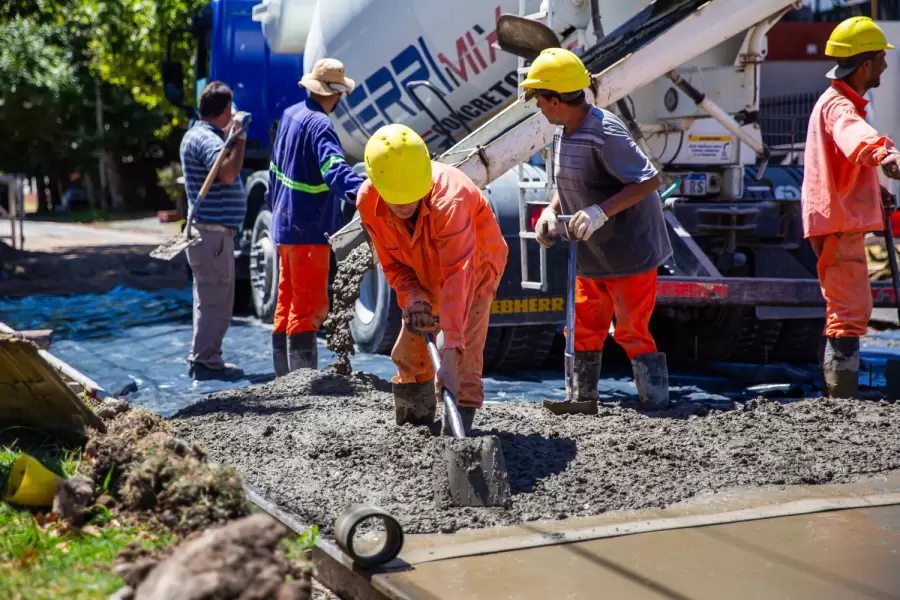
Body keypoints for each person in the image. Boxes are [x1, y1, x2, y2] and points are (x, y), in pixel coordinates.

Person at [522, 48, 673, 410]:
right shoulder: (563, 132)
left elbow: (648, 181)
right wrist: (551, 211)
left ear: (556, 100)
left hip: (630, 252)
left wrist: (600, 212)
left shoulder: (604, 131)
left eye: (539, 99)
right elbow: (568, 179)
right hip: (591, 251)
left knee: (631, 330)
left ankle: (657, 404)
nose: (538, 107)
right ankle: (581, 398)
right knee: (582, 328)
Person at [356, 124, 508, 434]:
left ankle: (458, 438)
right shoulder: (368, 203)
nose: (405, 206)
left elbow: (457, 275)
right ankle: (415, 428)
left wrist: (450, 350)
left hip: (474, 268)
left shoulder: (450, 201)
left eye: (411, 198)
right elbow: (394, 265)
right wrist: (415, 298)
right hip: (423, 270)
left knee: (462, 363)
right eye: (397, 200)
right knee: (408, 355)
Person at [802, 16, 900, 399]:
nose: (886, 65)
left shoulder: (842, 103)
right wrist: (885, 153)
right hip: (838, 222)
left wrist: (875, 192)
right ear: (865, 65)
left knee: (851, 308)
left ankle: (841, 400)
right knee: (848, 312)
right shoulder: (840, 107)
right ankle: (841, 404)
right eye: (881, 59)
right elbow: (855, 138)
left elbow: (844, 165)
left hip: (839, 218)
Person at [266, 58, 365, 375]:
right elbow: (334, 170)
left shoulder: (291, 115)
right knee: (309, 308)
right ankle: (301, 384)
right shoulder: (320, 125)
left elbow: (274, 171)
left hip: (284, 227)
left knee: (287, 304)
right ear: (335, 92)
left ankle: (283, 381)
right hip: (308, 229)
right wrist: (365, 191)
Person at [179, 81, 248, 381]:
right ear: (223, 111)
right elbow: (228, 173)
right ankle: (206, 361)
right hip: (212, 235)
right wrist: (240, 137)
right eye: (230, 109)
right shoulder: (205, 138)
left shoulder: (197, 135)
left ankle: (204, 357)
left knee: (208, 298)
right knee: (215, 300)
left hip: (208, 235)